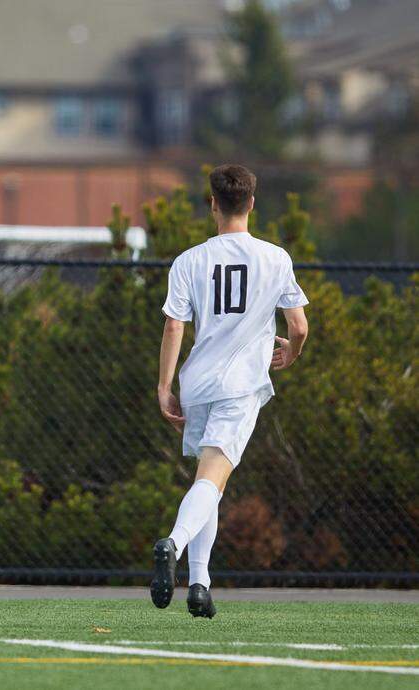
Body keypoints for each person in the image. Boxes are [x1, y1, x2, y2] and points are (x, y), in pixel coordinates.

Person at [152, 164, 309, 618]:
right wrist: (291, 354)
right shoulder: (275, 257)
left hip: (198, 383)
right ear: (252, 204)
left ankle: (200, 585)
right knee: (211, 479)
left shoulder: (189, 260)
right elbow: (298, 326)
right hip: (240, 387)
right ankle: (174, 545)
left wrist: (164, 386)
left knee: (209, 481)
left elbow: (173, 325)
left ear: (213, 204)